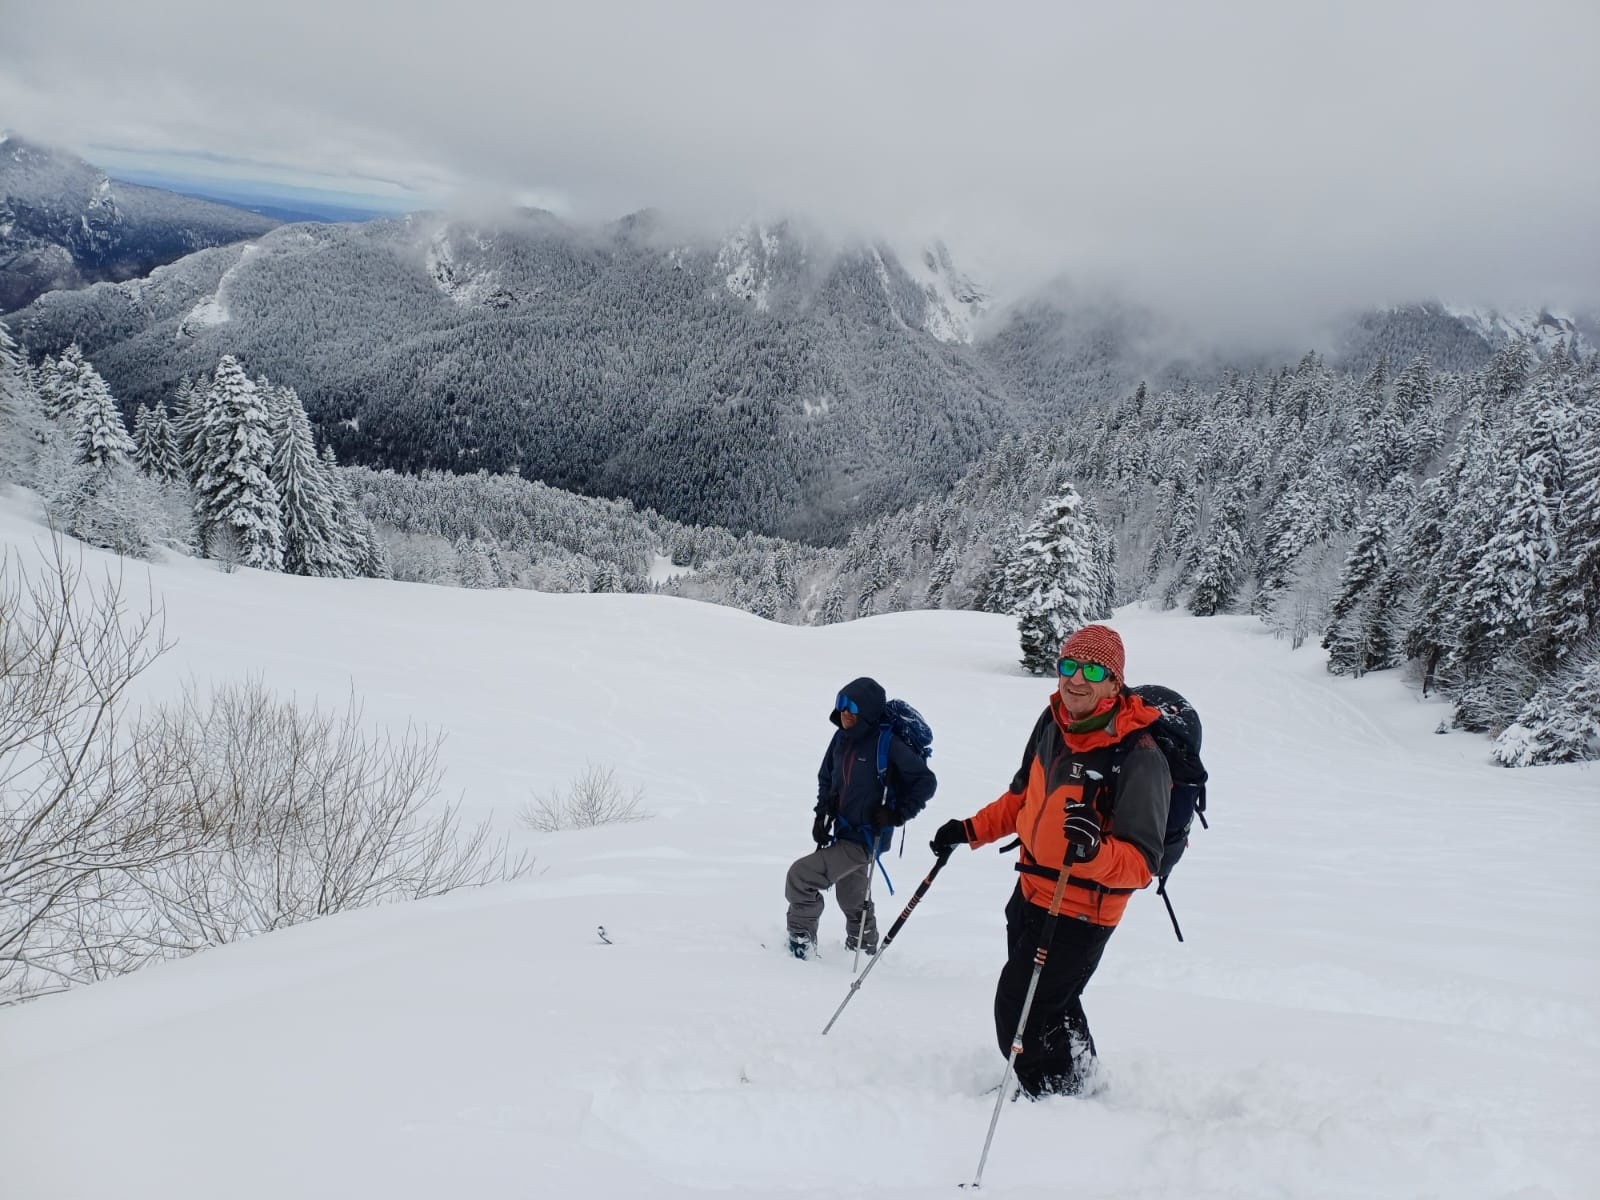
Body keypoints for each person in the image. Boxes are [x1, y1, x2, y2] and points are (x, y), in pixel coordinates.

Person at [929, 624, 1170, 1097]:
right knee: (1051, 1003)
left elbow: (1143, 863)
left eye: (1092, 669)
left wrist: (1096, 853)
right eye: (1068, 666)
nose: (1075, 679)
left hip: (1082, 910)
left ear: (1114, 682)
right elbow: (1023, 798)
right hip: (1031, 891)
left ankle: (1052, 1099)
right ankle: (1080, 1079)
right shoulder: (1053, 723)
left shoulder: (1138, 754)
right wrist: (970, 830)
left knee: (1019, 1012)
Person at [785, 677, 937, 960]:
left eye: (852, 707)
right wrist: (822, 815)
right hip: (842, 832)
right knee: (851, 895)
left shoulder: (886, 743)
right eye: (841, 705)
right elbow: (826, 776)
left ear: (866, 711)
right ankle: (864, 946)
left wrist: (897, 814)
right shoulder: (841, 738)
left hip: (867, 837)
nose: (845, 712)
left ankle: (800, 945)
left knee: (801, 876)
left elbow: (925, 782)